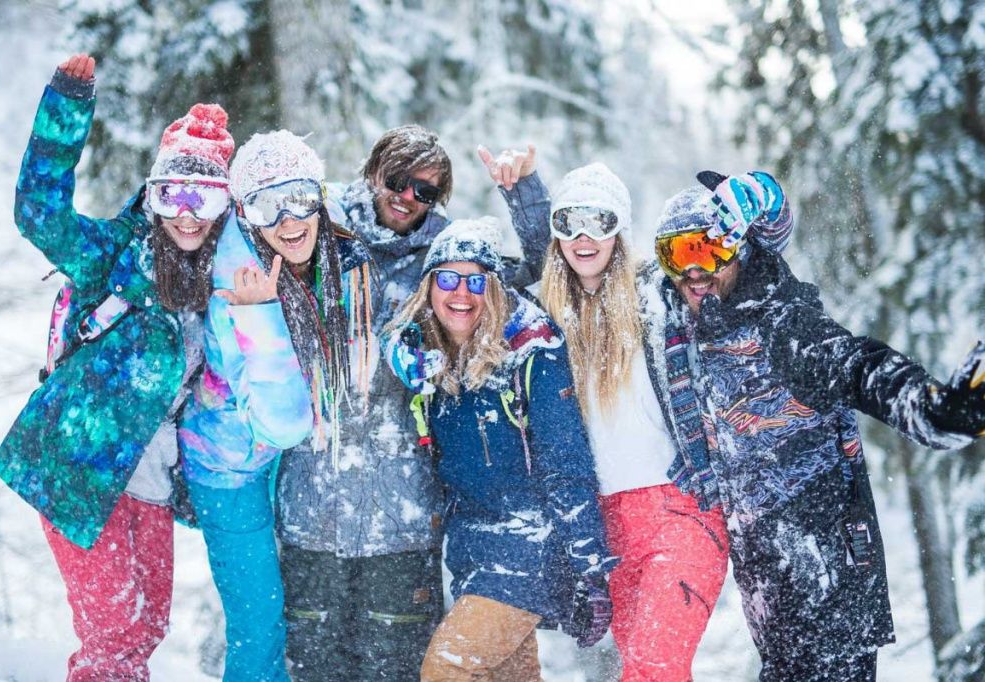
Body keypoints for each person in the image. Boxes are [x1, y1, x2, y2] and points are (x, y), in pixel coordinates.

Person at [647, 172, 985, 681]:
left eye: (710, 250)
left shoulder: (783, 325)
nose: (694, 270)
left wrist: (938, 410)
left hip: (828, 582)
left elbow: (859, 367)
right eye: (678, 254)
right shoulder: (688, 336)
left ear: (739, 250)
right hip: (774, 596)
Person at [492, 161, 792, 680]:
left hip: (682, 511)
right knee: (648, 668)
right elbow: (483, 292)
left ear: (620, 229)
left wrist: (764, 201)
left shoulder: (659, 297)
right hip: (607, 525)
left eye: (598, 222)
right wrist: (527, 200)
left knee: (653, 667)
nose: (584, 237)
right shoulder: (548, 315)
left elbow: (753, 264)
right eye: (569, 223)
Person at [275, 126, 549, 680]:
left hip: (402, 513)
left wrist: (525, 196)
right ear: (374, 171)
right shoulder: (317, 229)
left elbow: (541, 271)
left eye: (425, 192)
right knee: (313, 668)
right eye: (398, 182)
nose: (407, 198)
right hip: (311, 503)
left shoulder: (448, 263)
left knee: (394, 668)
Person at [0, 53, 234, 680]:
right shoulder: (112, 257)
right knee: (114, 632)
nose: (186, 210)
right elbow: (39, 213)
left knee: (146, 628)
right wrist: (66, 108)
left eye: (203, 194)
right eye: (172, 191)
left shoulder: (226, 281)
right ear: (152, 196)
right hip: (78, 468)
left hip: (150, 480)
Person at [177, 130, 376, 681]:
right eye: (268, 204)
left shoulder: (327, 239)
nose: (289, 219)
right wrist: (259, 313)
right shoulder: (236, 286)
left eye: (300, 198)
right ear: (245, 212)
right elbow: (283, 423)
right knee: (260, 621)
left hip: (286, 466)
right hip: (229, 469)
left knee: (303, 610)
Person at [382, 218, 616, 681]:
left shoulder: (532, 353)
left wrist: (590, 566)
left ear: (494, 289)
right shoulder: (427, 359)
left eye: (476, 281)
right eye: (447, 279)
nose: (461, 294)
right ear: (429, 287)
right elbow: (390, 333)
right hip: (472, 551)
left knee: (447, 668)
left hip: (530, 549)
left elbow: (565, 462)